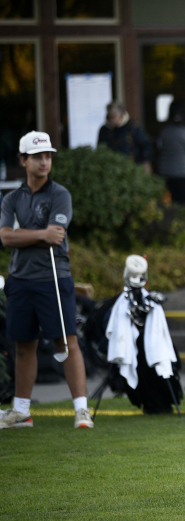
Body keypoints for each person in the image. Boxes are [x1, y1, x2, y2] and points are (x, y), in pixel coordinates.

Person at [0, 131, 91, 429]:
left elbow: (58, 235)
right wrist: (40, 234)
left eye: (48, 156)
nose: (44, 161)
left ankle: (81, 411)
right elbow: (5, 237)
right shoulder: (12, 198)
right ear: (23, 160)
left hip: (54, 277)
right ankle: (22, 412)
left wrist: (23, 235)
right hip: (20, 279)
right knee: (24, 345)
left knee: (66, 343)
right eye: (38, 156)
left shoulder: (60, 194)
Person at [156, 100, 185, 206]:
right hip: (182, 172)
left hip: (165, 172)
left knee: (169, 204)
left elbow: (159, 147)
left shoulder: (164, 130)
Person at [97, 101, 153, 173]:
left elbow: (145, 145)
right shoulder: (105, 130)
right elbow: (101, 148)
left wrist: (146, 163)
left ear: (121, 115)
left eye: (113, 116)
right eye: (108, 116)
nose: (110, 119)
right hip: (112, 168)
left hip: (132, 167)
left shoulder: (133, 127)